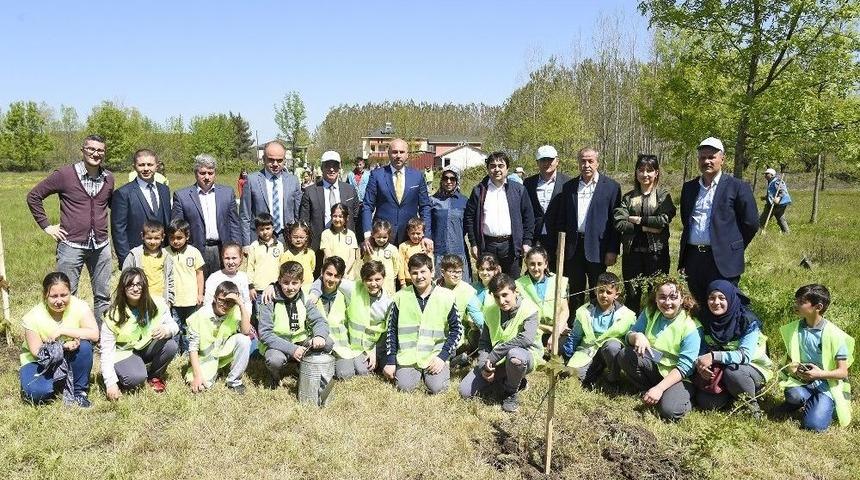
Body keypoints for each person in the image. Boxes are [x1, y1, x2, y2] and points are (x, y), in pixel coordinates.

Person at [27, 134, 114, 324]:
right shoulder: (65, 175)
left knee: (103, 296)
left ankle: (99, 338)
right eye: (91, 149)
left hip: (101, 245)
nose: (95, 153)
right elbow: (34, 196)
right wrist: (47, 226)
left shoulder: (109, 178)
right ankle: (69, 339)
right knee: (67, 295)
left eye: (100, 150)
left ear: (104, 153)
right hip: (71, 245)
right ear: (82, 150)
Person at [679, 137, 759, 305]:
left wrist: (731, 245)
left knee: (723, 305)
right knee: (699, 304)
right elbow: (686, 221)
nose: (706, 161)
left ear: (722, 159)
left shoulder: (737, 186)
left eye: (711, 157)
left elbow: (750, 223)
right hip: (694, 258)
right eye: (702, 157)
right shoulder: (689, 188)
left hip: (723, 260)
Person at [618, 278, 701, 421]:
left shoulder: (691, 326)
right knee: (625, 355)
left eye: (673, 297)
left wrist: (660, 388)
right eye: (662, 297)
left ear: (682, 300)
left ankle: (683, 398)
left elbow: (685, 367)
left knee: (669, 411)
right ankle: (648, 389)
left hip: (680, 376)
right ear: (655, 299)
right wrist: (637, 336)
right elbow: (628, 336)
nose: (667, 302)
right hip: (655, 366)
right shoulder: (650, 312)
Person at [550, 147, 621, 313]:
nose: (586, 164)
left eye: (590, 161)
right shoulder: (569, 187)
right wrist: (561, 246)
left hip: (598, 247)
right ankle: (575, 324)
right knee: (575, 289)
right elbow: (562, 219)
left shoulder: (611, 187)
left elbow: (614, 223)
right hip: (573, 247)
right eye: (583, 161)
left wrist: (612, 249)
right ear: (578, 162)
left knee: (598, 288)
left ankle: (597, 321)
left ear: (597, 163)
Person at [459, 273, 544, 412]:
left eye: (505, 295)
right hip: (497, 361)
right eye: (497, 296)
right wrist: (484, 366)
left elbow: (526, 339)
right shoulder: (490, 311)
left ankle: (511, 392)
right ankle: (514, 381)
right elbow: (484, 342)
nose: (501, 300)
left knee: (515, 356)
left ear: (515, 291)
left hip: (525, 357)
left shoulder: (530, 309)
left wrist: (493, 356)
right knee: (465, 391)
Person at [778, 284, 854, 431]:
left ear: (818, 307)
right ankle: (803, 402)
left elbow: (843, 372)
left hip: (826, 385)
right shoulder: (793, 329)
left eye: (801, 302)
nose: (796, 305)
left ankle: (826, 406)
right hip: (802, 381)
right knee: (793, 394)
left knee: (814, 426)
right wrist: (795, 370)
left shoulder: (835, 335)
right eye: (797, 301)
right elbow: (790, 359)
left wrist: (818, 374)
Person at [384, 253, 462, 394]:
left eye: (423, 272)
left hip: (435, 355)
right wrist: (390, 361)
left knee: (438, 388)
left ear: (432, 272)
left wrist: (442, 357)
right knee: (404, 388)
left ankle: (446, 366)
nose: (419, 276)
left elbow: (457, 330)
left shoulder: (446, 296)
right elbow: (391, 331)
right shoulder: (400, 297)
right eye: (414, 273)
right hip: (409, 357)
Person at [19, 272, 99, 407]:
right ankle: (57, 382)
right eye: (54, 296)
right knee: (37, 394)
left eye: (64, 295)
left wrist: (62, 331)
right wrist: (62, 346)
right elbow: (36, 352)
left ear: (70, 292)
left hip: (69, 356)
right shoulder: (32, 317)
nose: (59, 301)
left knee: (84, 347)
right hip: (38, 362)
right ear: (45, 295)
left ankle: (79, 392)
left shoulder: (80, 306)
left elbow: (94, 334)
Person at [694, 280, 773, 416]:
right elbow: (700, 349)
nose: (716, 302)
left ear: (730, 298)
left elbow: (745, 355)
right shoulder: (704, 319)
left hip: (750, 369)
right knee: (707, 403)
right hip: (719, 371)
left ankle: (752, 407)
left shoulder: (747, 320)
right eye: (711, 298)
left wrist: (713, 356)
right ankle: (732, 395)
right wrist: (700, 365)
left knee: (734, 373)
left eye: (722, 298)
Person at [101, 268, 179, 399]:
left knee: (171, 346)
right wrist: (110, 383)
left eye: (139, 284)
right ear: (123, 288)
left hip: (146, 347)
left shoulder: (158, 303)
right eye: (130, 285)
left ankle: (154, 377)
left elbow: (174, 326)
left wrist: (167, 330)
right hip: (123, 353)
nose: (136, 289)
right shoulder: (112, 315)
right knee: (135, 379)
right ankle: (130, 372)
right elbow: (106, 352)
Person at [614, 154, 676, 313]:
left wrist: (638, 220)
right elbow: (619, 222)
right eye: (641, 170)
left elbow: (663, 221)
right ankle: (630, 331)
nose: (645, 174)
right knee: (632, 294)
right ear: (636, 173)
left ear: (656, 173)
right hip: (632, 254)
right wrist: (645, 227)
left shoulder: (663, 197)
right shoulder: (628, 198)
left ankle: (652, 330)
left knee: (656, 295)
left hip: (657, 255)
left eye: (649, 170)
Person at [257, 261, 333, 388]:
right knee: (274, 360)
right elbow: (265, 334)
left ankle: (301, 368)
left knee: (327, 342)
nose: (290, 287)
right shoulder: (269, 299)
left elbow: (319, 321)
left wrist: (319, 335)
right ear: (279, 281)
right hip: (278, 345)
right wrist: (292, 349)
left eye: (295, 283)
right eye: (286, 283)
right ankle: (274, 375)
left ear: (301, 282)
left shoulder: (304, 297)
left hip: (300, 341)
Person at [464, 151, 535, 277]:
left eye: (500, 166)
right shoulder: (478, 191)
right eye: (492, 166)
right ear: (488, 168)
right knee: (488, 285)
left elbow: (528, 218)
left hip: (511, 246)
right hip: (487, 246)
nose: (496, 169)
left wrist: (527, 241)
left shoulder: (519, 190)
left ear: (507, 168)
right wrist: (474, 243)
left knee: (511, 286)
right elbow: (469, 218)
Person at [171, 154, 242, 278]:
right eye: (202, 173)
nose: (207, 177)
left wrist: (237, 248)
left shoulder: (227, 193)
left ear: (215, 173)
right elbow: (177, 228)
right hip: (195, 250)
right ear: (195, 173)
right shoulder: (182, 196)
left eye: (210, 173)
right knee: (198, 289)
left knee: (223, 288)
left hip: (222, 249)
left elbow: (234, 224)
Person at [563, 272, 635, 386]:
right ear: (595, 290)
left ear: (616, 294)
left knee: (612, 346)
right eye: (601, 291)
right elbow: (575, 336)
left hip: (610, 351)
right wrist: (567, 356)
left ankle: (613, 378)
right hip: (588, 351)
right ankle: (595, 370)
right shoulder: (584, 311)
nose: (604, 295)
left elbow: (630, 338)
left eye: (609, 292)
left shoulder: (627, 314)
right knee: (572, 377)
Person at [361, 138, 433, 248]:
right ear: (389, 154)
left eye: (402, 152)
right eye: (394, 152)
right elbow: (367, 205)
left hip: (410, 237)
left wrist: (426, 234)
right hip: (382, 237)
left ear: (407, 154)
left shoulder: (417, 176)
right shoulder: (377, 175)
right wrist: (367, 234)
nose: (398, 155)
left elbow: (425, 207)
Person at [186, 280, 252, 395]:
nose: (225, 306)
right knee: (201, 387)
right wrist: (197, 375)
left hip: (222, 352)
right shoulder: (200, 315)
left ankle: (234, 381)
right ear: (215, 298)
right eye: (221, 300)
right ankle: (211, 371)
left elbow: (246, 331)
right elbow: (193, 348)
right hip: (205, 357)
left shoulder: (235, 311)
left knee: (244, 340)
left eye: (230, 303)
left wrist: (241, 304)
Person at [300, 150, 360, 276]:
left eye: (335, 165)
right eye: (328, 165)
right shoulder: (310, 191)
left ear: (340, 167)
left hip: (344, 245)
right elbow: (304, 219)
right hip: (318, 246)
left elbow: (355, 215)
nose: (332, 169)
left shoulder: (350, 190)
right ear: (321, 168)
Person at [112, 149, 172, 267]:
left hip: (162, 255)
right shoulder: (123, 193)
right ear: (134, 166)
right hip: (136, 257)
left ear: (157, 166)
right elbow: (118, 230)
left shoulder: (164, 190)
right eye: (141, 165)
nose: (145, 169)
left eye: (150, 164)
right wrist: (126, 261)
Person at [240, 141, 302, 248]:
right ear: (263, 159)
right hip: (260, 238)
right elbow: (245, 215)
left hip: (286, 237)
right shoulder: (252, 180)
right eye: (271, 160)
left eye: (279, 160)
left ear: (284, 161)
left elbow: (298, 214)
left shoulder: (293, 181)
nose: (275, 164)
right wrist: (246, 244)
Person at [524, 145, 571, 267]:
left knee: (558, 271)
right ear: (537, 162)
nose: (546, 163)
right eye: (542, 160)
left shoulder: (568, 183)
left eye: (550, 159)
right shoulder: (528, 183)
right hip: (535, 236)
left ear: (557, 161)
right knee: (535, 269)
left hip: (558, 236)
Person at [516, 246, 569, 350]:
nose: (536, 268)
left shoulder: (558, 280)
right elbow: (520, 318)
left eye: (539, 264)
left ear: (546, 264)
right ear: (526, 264)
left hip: (558, 328)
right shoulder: (518, 285)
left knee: (564, 348)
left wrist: (556, 332)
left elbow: (565, 310)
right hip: (532, 330)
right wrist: (549, 329)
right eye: (532, 264)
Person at [166, 218, 205, 354]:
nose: (176, 241)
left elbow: (199, 274)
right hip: (173, 301)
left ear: (187, 236)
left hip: (191, 299)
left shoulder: (194, 252)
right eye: (172, 238)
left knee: (190, 327)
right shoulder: (165, 253)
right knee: (175, 327)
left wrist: (200, 294)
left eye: (179, 238)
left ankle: (189, 352)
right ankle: (175, 353)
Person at [438, 254, 484, 369]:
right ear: (443, 272)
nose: (456, 275)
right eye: (452, 272)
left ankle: (458, 358)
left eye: (459, 272)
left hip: (455, 336)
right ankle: (457, 360)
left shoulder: (467, 290)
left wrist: (488, 331)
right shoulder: (434, 287)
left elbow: (477, 314)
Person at [430, 166, 471, 283]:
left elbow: (468, 225)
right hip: (439, 250)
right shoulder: (433, 200)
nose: (449, 181)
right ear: (441, 180)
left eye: (452, 179)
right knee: (439, 286)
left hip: (458, 248)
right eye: (445, 178)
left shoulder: (464, 201)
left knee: (460, 285)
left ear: (456, 181)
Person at [121, 220, 175, 306]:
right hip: (140, 302)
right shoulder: (134, 255)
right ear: (142, 236)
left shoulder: (166, 256)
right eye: (149, 238)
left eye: (156, 238)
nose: (152, 242)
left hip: (161, 302)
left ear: (163, 237)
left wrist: (169, 301)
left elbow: (170, 279)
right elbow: (125, 277)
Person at [246, 213, 284, 307]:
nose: (265, 232)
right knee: (260, 316)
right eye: (261, 229)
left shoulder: (279, 245)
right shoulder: (254, 246)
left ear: (273, 228)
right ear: (257, 231)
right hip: (259, 289)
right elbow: (250, 268)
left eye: (268, 228)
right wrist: (250, 286)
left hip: (275, 287)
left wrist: (276, 283)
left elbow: (282, 266)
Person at [203, 243, 252, 314]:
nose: (230, 262)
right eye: (227, 258)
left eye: (234, 258)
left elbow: (247, 301)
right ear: (222, 258)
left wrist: (247, 317)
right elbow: (208, 303)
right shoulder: (214, 277)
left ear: (240, 258)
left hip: (237, 318)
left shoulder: (243, 277)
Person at [320, 203, 360, 279]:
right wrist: (336, 272)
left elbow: (352, 257)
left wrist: (344, 272)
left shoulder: (351, 234)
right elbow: (328, 255)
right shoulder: (325, 234)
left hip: (347, 275)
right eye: (335, 216)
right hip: (331, 275)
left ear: (347, 218)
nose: (337, 219)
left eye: (341, 216)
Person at [362, 219, 400, 296]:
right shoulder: (369, 249)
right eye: (378, 237)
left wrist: (391, 276)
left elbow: (396, 266)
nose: (381, 240)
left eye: (384, 237)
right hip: (373, 283)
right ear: (373, 235)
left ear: (389, 236)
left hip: (388, 284)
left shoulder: (393, 249)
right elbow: (366, 263)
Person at [398, 217, 431, 287]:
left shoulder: (425, 246)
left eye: (418, 233)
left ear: (423, 233)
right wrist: (402, 282)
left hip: (423, 280)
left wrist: (431, 276)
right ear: (408, 233)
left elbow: (431, 262)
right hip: (408, 281)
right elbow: (400, 264)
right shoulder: (403, 246)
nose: (415, 236)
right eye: (413, 233)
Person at [760, 168, 791, 234]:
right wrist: (765, 198)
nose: (765, 175)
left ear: (771, 175)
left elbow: (782, 191)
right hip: (778, 205)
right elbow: (772, 194)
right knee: (780, 219)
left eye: (766, 174)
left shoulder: (777, 181)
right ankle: (786, 232)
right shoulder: (771, 182)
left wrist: (778, 198)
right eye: (765, 174)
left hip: (776, 204)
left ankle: (758, 231)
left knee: (763, 219)